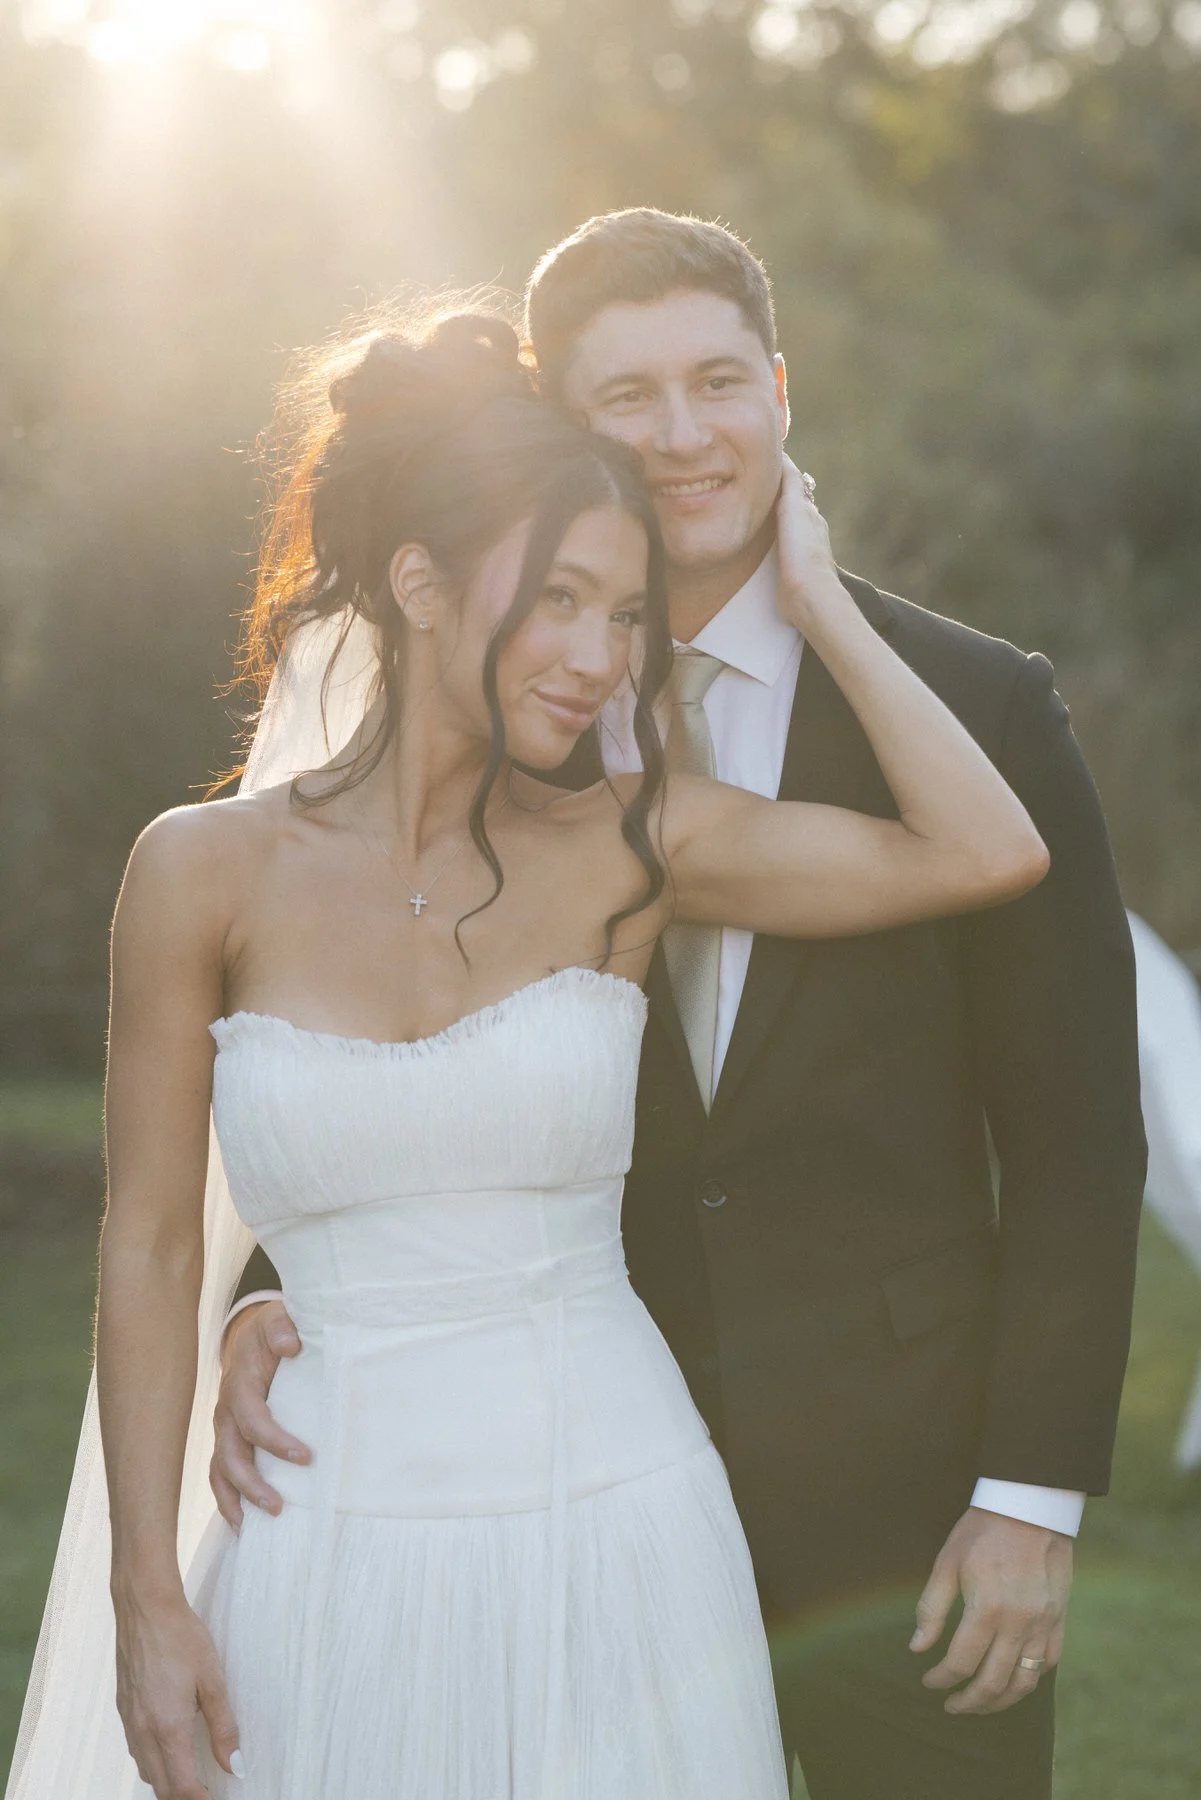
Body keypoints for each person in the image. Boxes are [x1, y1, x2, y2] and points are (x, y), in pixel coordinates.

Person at [6, 305, 1048, 1800]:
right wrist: (146, 1601)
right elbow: (157, 1243)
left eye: (626, 615)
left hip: (618, 1522)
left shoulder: (631, 845)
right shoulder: (200, 871)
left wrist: (815, 594)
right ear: (419, 583)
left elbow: (986, 847)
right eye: (559, 599)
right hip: (325, 1539)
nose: (597, 657)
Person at [214, 213, 1147, 1800]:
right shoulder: (500, 715)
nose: (685, 434)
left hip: (906, 1504)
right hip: (572, 1486)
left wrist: (1030, 1496)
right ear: (559, 431)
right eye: (625, 398)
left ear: (781, 392)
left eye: (720, 381)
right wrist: (269, 1282)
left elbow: (1076, 1137)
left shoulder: (981, 708)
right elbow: (375, 1014)